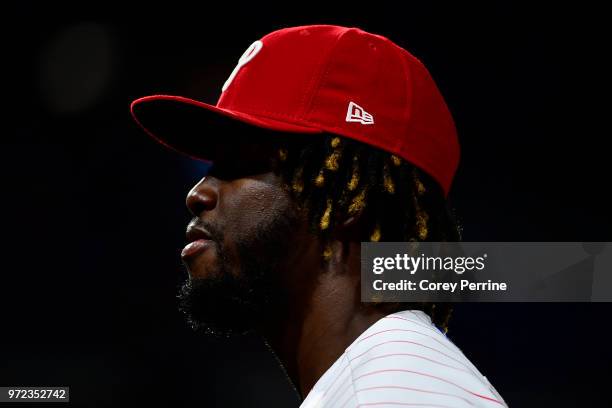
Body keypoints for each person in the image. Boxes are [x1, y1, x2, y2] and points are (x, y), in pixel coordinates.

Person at [131, 24, 507, 407]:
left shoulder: (388, 392)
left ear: (348, 200)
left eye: (242, 163)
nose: (198, 193)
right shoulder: (379, 380)